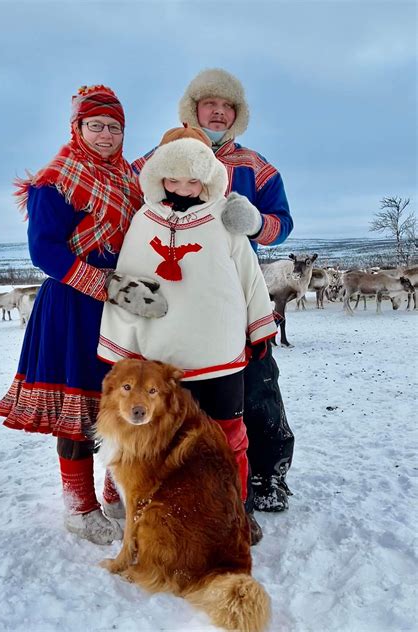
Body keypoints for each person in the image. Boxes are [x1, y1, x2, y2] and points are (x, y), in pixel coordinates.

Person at [0, 85, 167, 546]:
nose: (106, 135)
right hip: (74, 303)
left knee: (122, 402)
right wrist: (100, 284)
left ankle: (114, 492)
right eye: (96, 126)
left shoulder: (130, 181)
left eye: (114, 127)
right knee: (80, 406)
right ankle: (78, 505)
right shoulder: (56, 179)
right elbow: (43, 250)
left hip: (122, 304)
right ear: (78, 128)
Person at [98, 125, 278, 544]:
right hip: (159, 359)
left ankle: (234, 510)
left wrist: (259, 329)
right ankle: (151, 507)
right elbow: (128, 287)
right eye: (173, 178)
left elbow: (250, 277)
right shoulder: (143, 221)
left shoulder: (225, 219)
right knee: (153, 437)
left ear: (208, 178)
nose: (182, 187)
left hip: (218, 350)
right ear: (159, 177)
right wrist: (121, 348)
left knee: (227, 437)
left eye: (193, 178)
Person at [131, 69, 295, 512]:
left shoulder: (255, 166)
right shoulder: (160, 157)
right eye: (210, 105)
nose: (218, 112)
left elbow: (282, 223)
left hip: (234, 300)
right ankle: (182, 486)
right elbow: (130, 199)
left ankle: (267, 475)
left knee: (257, 389)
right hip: (173, 303)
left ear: (237, 115)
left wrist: (258, 224)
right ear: (193, 109)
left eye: (228, 107)